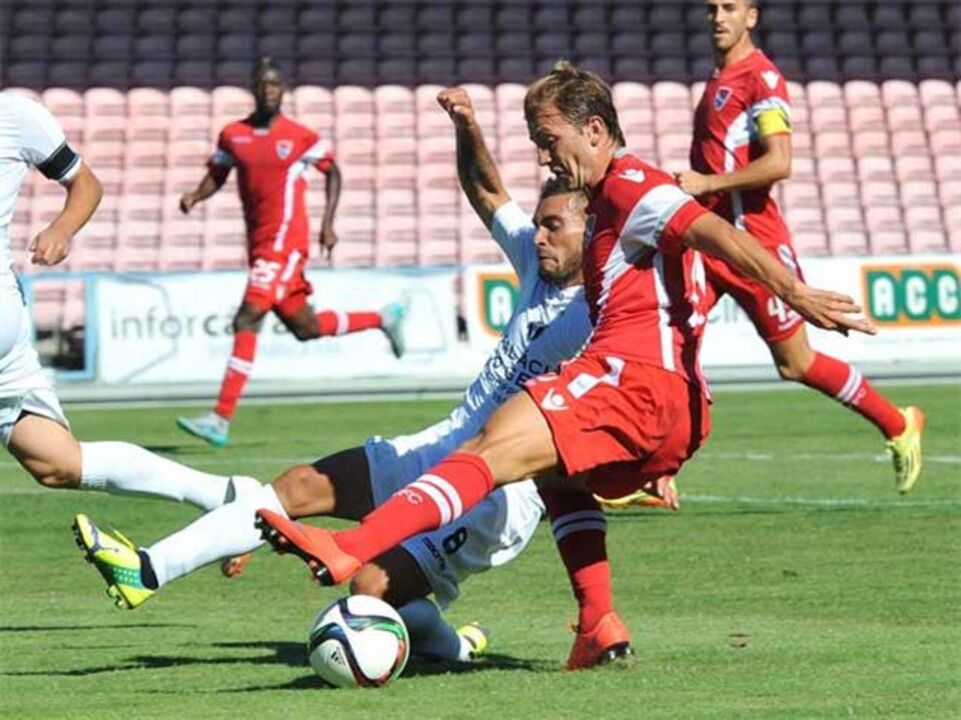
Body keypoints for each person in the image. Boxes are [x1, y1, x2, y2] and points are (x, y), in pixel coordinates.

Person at [252, 63, 875, 670]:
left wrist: (797, 294)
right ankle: (597, 623)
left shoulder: (634, 185)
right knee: (558, 478)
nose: (545, 159)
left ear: (596, 131)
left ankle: (352, 543)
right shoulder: (606, 203)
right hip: (675, 407)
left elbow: (717, 234)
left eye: (549, 142)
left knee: (489, 445)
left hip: (632, 381)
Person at [73, 87, 669, 665]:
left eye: (553, 227)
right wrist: (467, 127)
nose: (536, 235)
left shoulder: (607, 308)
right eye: (536, 224)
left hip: (500, 491)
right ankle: (146, 569)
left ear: (590, 233)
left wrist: (647, 468)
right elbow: (486, 189)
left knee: (369, 589)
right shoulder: (538, 268)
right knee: (298, 487)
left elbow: (624, 393)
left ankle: (450, 646)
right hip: (443, 444)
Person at [675, 0, 924, 493]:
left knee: (796, 363)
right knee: (672, 340)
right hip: (709, 242)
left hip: (754, 246)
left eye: (729, 7)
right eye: (711, 8)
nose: (718, 17)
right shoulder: (717, 77)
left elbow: (779, 162)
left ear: (752, 16)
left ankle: (899, 424)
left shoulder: (761, 80)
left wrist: (707, 183)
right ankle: (656, 473)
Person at [0, 90, 262, 520]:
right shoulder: (17, 113)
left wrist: (63, 229)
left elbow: (85, 183)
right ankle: (226, 495)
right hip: (7, 311)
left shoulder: (14, 114)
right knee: (57, 462)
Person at [175, 57, 405, 449]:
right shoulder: (234, 134)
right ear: (254, 89)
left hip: (285, 244)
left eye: (275, 85)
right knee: (305, 328)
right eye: (262, 85)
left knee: (247, 318)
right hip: (260, 245)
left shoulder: (300, 137)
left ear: (283, 90)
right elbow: (218, 173)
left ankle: (220, 418)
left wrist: (327, 223)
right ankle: (383, 318)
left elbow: (332, 171)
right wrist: (196, 195)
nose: (269, 91)